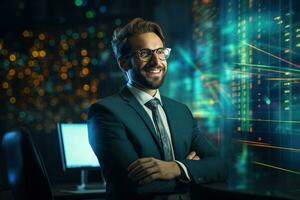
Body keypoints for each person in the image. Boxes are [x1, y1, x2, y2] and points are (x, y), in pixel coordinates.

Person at [87, 18, 228, 200]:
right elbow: (136, 185)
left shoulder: (181, 111)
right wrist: (192, 170)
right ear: (124, 63)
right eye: (144, 53)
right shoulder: (105, 112)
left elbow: (221, 166)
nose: (156, 61)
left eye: (160, 52)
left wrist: (176, 168)